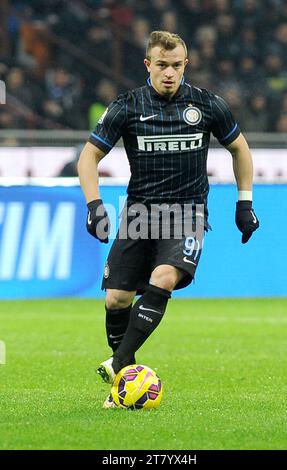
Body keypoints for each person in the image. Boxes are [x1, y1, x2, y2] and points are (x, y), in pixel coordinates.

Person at [77, 31, 259, 408]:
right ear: (148, 65)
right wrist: (94, 206)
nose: (169, 73)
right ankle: (123, 368)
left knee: (164, 278)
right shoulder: (127, 106)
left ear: (185, 65)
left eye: (176, 66)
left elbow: (240, 149)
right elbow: (88, 158)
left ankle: (122, 363)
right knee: (116, 300)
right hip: (140, 214)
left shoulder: (207, 105)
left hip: (187, 212)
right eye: (161, 65)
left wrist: (245, 203)